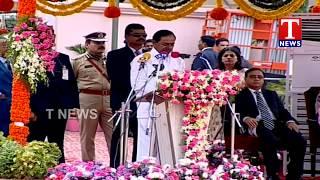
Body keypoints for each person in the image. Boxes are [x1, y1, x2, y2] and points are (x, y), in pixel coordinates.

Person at [235, 68, 306, 180]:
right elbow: (237, 111)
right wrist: (246, 118)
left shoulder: (271, 94)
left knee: (299, 140)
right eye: (253, 76)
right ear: (246, 79)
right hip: (256, 124)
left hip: (276, 123)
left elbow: (282, 111)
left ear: (263, 80)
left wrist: (290, 121)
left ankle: (294, 175)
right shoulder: (240, 95)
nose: (256, 79)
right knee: (269, 138)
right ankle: (273, 174)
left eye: (260, 77)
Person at [130, 30, 185, 161]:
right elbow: (137, 85)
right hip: (148, 107)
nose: (169, 47)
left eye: (172, 44)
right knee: (146, 143)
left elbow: (182, 82)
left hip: (171, 108)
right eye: (165, 44)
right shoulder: (142, 59)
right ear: (154, 43)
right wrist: (159, 91)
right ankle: (144, 170)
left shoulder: (178, 60)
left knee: (168, 143)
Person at [106, 23, 146, 168]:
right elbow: (115, 77)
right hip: (122, 101)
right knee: (119, 135)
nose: (141, 38)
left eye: (144, 35)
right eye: (137, 35)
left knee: (140, 136)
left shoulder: (147, 55)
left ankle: (138, 165)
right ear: (127, 36)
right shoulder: (115, 55)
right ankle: (115, 166)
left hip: (144, 103)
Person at [29, 52, 79, 163]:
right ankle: (33, 169)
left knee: (57, 142)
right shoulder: (29, 55)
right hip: (38, 109)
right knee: (35, 142)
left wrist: (73, 105)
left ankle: (59, 171)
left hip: (60, 108)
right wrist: (29, 110)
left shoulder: (63, 58)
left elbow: (71, 83)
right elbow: (25, 85)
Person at [73, 32, 113, 162]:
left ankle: (116, 163)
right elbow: (71, 83)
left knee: (113, 134)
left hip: (108, 99)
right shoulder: (77, 61)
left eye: (102, 43)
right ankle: (88, 164)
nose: (101, 45)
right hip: (88, 99)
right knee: (87, 136)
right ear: (87, 44)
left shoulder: (110, 60)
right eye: (97, 43)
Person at [0, 38, 12, 137]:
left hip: (12, 103)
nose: (6, 48)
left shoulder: (11, 62)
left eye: (7, 45)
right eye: (3, 46)